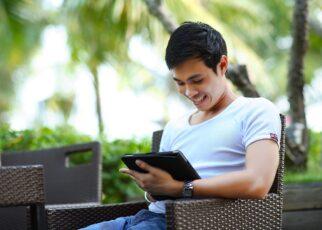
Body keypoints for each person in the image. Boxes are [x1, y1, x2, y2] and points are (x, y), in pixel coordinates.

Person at [82, 21, 281, 230]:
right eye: (180, 83)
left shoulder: (255, 110)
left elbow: (258, 183)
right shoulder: (175, 126)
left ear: (222, 66)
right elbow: (158, 196)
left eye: (197, 80)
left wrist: (180, 188)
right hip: (145, 218)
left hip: (193, 222)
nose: (189, 91)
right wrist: (153, 187)